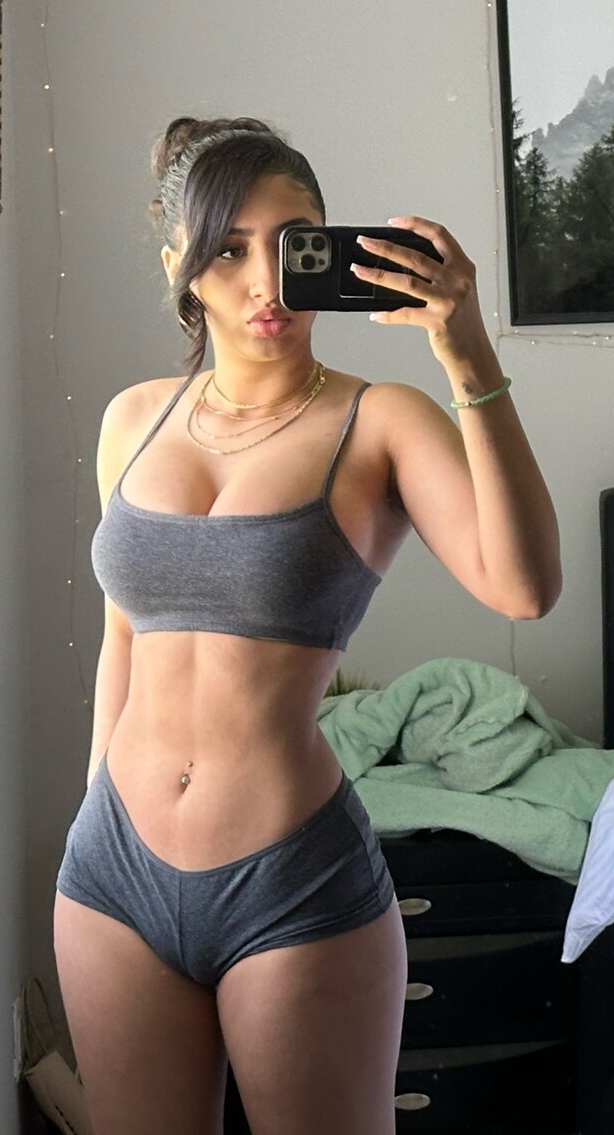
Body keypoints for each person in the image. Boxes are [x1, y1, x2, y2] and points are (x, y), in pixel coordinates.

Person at [52, 116, 562, 1134]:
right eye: (228, 252)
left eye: (292, 246)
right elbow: (125, 639)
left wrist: (466, 351)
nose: (265, 284)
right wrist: (91, 813)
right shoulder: (132, 420)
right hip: (112, 875)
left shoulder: (381, 421)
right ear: (179, 266)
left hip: (288, 882)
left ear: (334, 246)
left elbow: (524, 589)